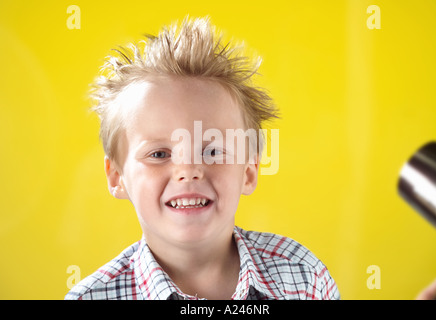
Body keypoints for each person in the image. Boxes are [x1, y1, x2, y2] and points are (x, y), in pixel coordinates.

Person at [64, 16, 339, 300]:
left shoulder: (306, 279)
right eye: (159, 154)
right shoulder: (92, 297)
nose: (188, 170)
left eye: (212, 151)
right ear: (116, 176)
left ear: (249, 170)